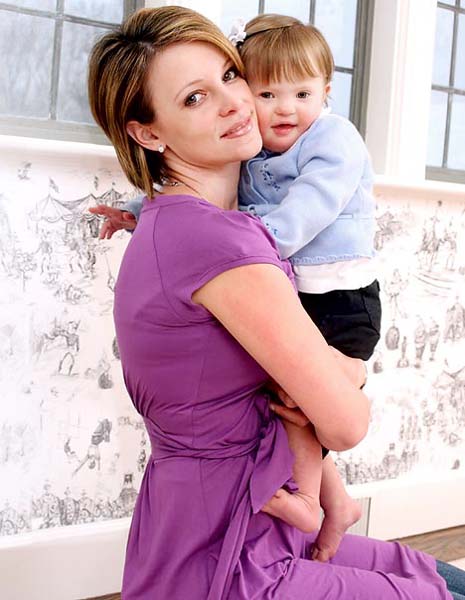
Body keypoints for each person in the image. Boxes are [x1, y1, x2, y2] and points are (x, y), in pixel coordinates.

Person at [88, 6, 463, 599]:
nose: (234, 103)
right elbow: (346, 423)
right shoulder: (221, 242)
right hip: (230, 552)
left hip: (222, 525)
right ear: (148, 133)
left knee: (439, 574)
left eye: (230, 77)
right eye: (194, 98)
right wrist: (350, 374)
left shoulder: (177, 223)